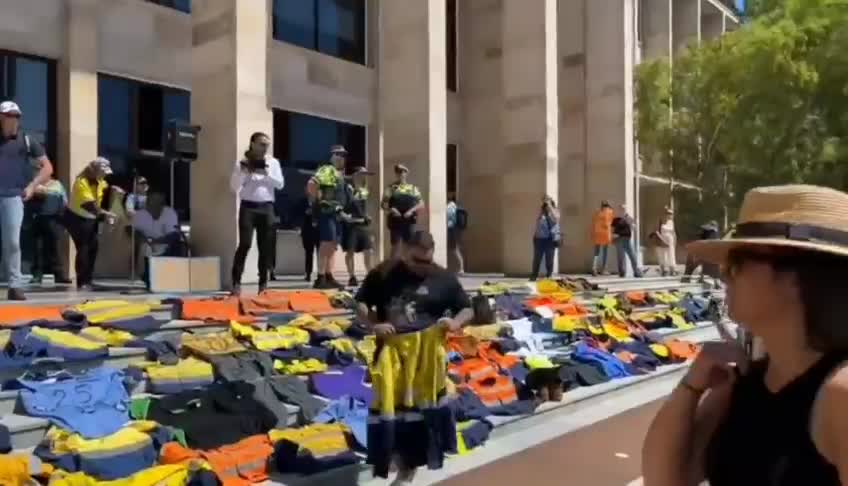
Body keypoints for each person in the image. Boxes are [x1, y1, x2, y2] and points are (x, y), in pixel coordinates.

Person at [642, 184, 848, 486]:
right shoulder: (741, 382)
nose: (724, 273)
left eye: (737, 261)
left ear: (795, 276)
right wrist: (690, 388)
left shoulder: (839, 395)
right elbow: (665, 480)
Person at [354, 230, 473, 485]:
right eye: (417, 261)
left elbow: (467, 307)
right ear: (405, 251)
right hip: (392, 352)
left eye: (427, 262)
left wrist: (454, 322)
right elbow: (361, 303)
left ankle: (408, 470)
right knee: (390, 411)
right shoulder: (384, 274)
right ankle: (400, 464)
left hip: (427, 354)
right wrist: (372, 324)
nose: (422, 268)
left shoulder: (443, 278)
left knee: (422, 414)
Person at [0, 101, 54, 300]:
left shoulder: (27, 140)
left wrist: (32, 186)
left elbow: (47, 168)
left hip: (13, 197)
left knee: (12, 242)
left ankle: (14, 286)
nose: (13, 119)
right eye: (9, 115)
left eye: (16, 116)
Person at [229, 132, 284, 295]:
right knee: (245, 244)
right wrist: (245, 172)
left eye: (267, 144)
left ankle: (263, 284)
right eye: (261, 144)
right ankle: (236, 282)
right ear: (252, 144)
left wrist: (267, 174)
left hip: (267, 208)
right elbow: (233, 187)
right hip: (248, 207)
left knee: (265, 246)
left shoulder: (273, 162)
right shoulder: (242, 163)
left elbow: (280, 184)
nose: (265, 147)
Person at [65, 157, 121, 291]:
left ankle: (88, 279)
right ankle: (82, 282)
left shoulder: (100, 181)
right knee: (83, 247)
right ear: (94, 170)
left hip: (90, 218)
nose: (104, 175)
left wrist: (114, 189)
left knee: (93, 247)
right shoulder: (81, 182)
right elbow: (89, 205)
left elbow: (104, 191)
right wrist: (106, 214)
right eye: (102, 171)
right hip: (76, 217)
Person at [307, 144, 348, 290]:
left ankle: (329, 276)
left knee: (332, 246)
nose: (341, 157)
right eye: (338, 154)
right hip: (327, 213)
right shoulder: (327, 169)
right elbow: (312, 184)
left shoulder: (339, 173)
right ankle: (320, 277)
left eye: (343, 155)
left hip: (337, 214)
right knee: (326, 244)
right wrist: (318, 202)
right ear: (332, 156)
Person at [131, 192, 182, 290]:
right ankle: (148, 278)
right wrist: (144, 238)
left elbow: (174, 234)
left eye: (158, 203)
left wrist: (157, 241)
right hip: (147, 246)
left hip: (166, 244)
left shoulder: (169, 213)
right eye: (151, 203)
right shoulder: (140, 214)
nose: (154, 206)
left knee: (173, 246)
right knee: (146, 249)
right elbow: (131, 230)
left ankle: (157, 278)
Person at [30, 175, 71, 285]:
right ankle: (37, 275)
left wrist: (65, 220)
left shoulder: (57, 185)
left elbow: (64, 202)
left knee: (55, 247)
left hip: (54, 218)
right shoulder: (34, 183)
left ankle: (59, 274)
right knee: (37, 247)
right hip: (37, 217)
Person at [382, 164, 424, 259]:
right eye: (398, 172)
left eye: (403, 172)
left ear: (406, 174)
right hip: (395, 221)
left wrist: (410, 211)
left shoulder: (413, 188)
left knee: (409, 247)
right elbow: (383, 204)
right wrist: (392, 209)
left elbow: (421, 204)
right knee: (395, 246)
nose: (400, 174)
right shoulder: (391, 188)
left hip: (409, 221)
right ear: (396, 174)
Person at [341, 167, 374, 286]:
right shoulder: (347, 189)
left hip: (363, 224)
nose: (364, 176)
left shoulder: (364, 190)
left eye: (365, 174)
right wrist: (345, 217)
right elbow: (344, 205)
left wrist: (367, 216)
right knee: (350, 251)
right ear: (356, 175)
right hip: (351, 225)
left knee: (368, 250)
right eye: (362, 174)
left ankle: (369, 275)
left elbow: (364, 206)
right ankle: (352, 276)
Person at [531, 195, 561, 281]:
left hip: (550, 239)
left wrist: (550, 206)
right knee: (537, 258)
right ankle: (534, 275)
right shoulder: (542, 213)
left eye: (548, 204)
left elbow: (556, 219)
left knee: (549, 259)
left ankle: (549, 275)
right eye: (546, 205)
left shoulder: (555, 211)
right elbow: (537, 222)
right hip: (539, 239)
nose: (547, 207)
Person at [612, 204, 642, 278]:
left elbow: (634, 227)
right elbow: (612, 229)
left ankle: (636, 272)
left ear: (625, 210)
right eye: (621, 209)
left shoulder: (628, 218)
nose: (622, 210)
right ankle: (622, 272)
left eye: (624, 209)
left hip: (627, 239)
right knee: (620, 257)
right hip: (619, 240)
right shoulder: (616, 219)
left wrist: (632, 224)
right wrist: (613, 237)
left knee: (632, 255)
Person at [591, 200, 614, 276]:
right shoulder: (610, 212)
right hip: (606, 234)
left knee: (596, 252)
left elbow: (594, 222)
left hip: (597, 233)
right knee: (605, 252)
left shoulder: (597, 213)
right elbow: (611, 223)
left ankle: (594, 268)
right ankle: (604, 269)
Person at [653, 207, 678, 276]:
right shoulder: (660, 221)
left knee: (671, 256)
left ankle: (672, 269)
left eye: (671, 214)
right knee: (662, 256)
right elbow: (657, 231)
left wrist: (674, 241)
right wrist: (662, 239)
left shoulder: (672, 222)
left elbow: (673, 232)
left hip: (670, 241)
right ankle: (663, 270)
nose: (670, 215)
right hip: (661, 241)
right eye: (668, 214)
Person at [446, 194, 466, 274]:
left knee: (455, 249)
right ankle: (459, 268)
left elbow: (449, 218)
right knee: (454, 249)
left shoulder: (450, 206)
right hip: (454, 229)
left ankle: (461, 268)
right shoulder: (453, 206)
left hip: (452, 229)